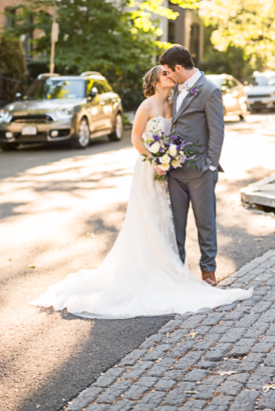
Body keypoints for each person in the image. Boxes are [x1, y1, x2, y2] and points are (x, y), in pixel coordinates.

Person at [30, 65, 251, 318]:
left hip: (170, 170)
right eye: (165, 75)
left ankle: (171, 269)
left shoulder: (174, 103)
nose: (170, 77)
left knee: (167, 219)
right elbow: (136, 139)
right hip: (149, 169)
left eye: (171, 73)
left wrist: (171, 158)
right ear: (156, 82)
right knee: (147, 217)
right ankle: (149, 270)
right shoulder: (146, 106)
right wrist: (155, 158)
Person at [159, 44, 225, 287]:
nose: (167, 76)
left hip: (200, 171)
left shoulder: (210, 90)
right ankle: (178, 269)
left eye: (169, 72)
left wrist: (210, 166)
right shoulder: (175, 88)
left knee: (205, 222)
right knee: (176, 224)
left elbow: (217, 132)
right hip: (175, 171)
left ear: (179, 67)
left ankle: (208, 270)